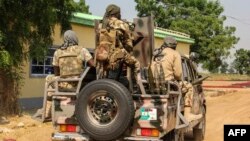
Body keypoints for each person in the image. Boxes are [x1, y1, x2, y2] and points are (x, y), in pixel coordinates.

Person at [43, 30, 94, 120]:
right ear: (75, 38)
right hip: (79, 85)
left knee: (49, 79)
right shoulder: (82, 50)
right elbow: (93, 65)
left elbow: (56, 73)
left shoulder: (57, 52)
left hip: (63, 85)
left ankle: (47, 112)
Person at [152, 36, 201, 122]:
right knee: (189, 87)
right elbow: (178, 74)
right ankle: (187, 115)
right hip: (168, 85)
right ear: (174, 46)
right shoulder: (175, 54)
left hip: (152, 84)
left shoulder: (156, 53)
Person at [99, 4, 141, 84]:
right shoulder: (122, 24)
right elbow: (128, 44)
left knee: (109, 77)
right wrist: (129, 52)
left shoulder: (101, 24)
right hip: (116, 55)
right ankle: (137, 86)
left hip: (102, 55)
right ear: (117, 13)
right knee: (136, 63)